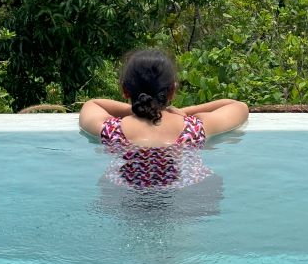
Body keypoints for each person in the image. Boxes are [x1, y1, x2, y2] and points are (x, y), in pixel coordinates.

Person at [79, 48, 249, 189]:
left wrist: (139, 109)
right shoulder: (194, 129)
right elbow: (238, 106)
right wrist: (181, 112)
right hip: (190, 196)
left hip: (125, 200)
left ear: (125, 90)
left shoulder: (111, 130)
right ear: (172, 91)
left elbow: (92, 104)